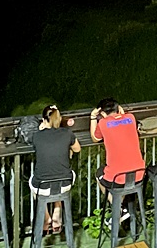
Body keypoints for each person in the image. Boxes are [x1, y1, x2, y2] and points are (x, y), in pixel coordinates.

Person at [31, 105, 81, 234]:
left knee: (34, 185)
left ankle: (46, 217)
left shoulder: (37, 136)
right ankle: (57, 211)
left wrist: (41, 130)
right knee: (59, 175)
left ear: (43, 120)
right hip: (64, 183)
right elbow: (77, 149)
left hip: (42, 186)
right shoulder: (67, 133)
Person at [90, 98, 146, 191]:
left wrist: (92, 117)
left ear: (102, 113)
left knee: (99, 174)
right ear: (119, 109)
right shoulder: (131, 118)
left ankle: (115, 203)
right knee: (125, 181)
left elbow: (95, 138)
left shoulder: (103, 123)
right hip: (139, 175)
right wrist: (121, 113)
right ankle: (120, 204)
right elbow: (122, 121)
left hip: (117, 178)